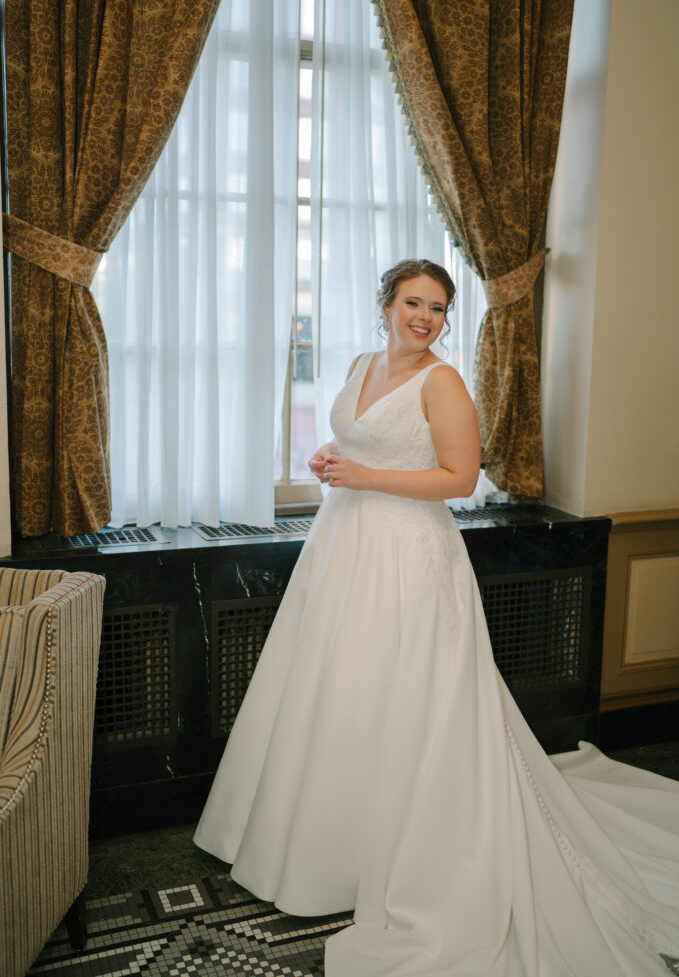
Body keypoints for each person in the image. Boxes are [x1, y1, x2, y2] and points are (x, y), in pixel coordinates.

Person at [195, 260, 679, 975]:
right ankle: (326, 842)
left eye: (439, 307)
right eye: (413, 302)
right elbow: (362, 444)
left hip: (408, 556)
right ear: (384, 304)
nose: (425, 316)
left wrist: (366, 476)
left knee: (404, 692)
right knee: (339, 688)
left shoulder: (442, 380)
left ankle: (407, 846)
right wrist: (335, 454)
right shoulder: (362, 363)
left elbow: (458, 478)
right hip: (344, 546)